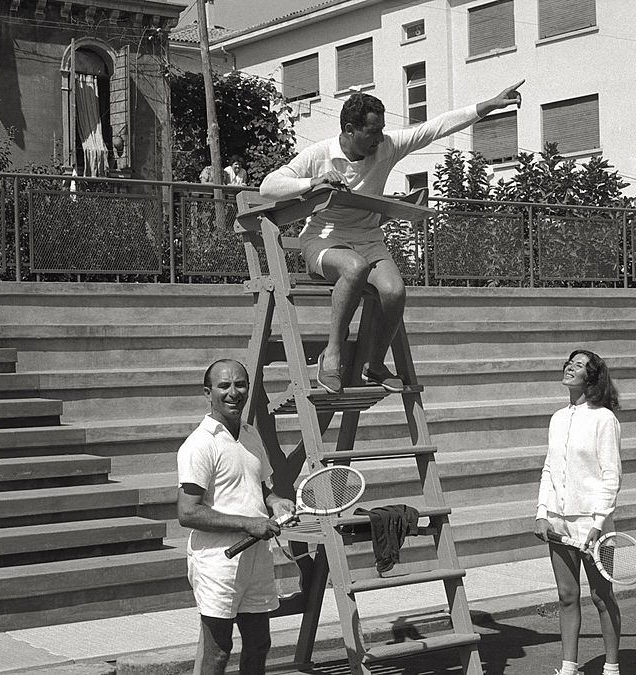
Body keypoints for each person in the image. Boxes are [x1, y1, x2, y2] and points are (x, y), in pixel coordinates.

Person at [259, 81, 524, 394]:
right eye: (373, 132)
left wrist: (489, 104)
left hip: (369, 239)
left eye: (382, 130)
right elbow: (268, 186)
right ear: (349, 129)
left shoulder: (386, 146)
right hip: (324, 241)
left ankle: (375, 363)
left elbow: (435, 127)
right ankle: (331, 354)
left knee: (395, 291)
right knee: (354, 268)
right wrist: (312, 182)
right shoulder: (319, 155)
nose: (380, 138)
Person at [176, 359, 295, 675]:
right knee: (218, 651)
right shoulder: (198, 445)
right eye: (224, 386)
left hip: (256, 556)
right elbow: (187, 512)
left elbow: (259, 486)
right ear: (208, 392)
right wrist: (248, 523)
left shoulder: (250, 434)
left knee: (259, 644)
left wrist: (276, 503)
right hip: (218, 561)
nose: (233, 393)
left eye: (240, 384)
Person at [534, 349, 622, 675]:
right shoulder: (557, 418)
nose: (571, 367)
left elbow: (612, 475)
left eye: (580, 365)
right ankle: (568, 669)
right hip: (558, 522)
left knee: (602, 597)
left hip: (594, 526)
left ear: (592, 378)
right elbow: (549, 468)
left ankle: (611, 668)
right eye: (570, 362)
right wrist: (542, 512)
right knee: (566, 596)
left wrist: (599, 522)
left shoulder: (605, 420)